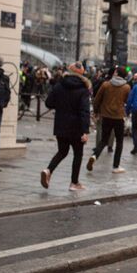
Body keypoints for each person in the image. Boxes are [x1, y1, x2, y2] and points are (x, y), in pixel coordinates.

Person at [40, 62, 91, 191]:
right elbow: (84, 111)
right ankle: (74, 183)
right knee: (78, 154)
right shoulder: (83, 89)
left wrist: (61, 106)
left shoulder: (59, 85)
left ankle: (48, 170)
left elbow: (49, 103)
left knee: (62, 151)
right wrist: (85, 131)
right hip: (77, 127)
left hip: (61, 125)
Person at [88, 66, 131, 174]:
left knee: (103, 140)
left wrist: (96, 111)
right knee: (119, 141)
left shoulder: (106, 84)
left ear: (116, 73)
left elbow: (97, 99)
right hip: (118, 116)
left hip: (106, 115)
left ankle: (94, 156)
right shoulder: (126, 87)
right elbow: (126, 101)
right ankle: (116, 166)